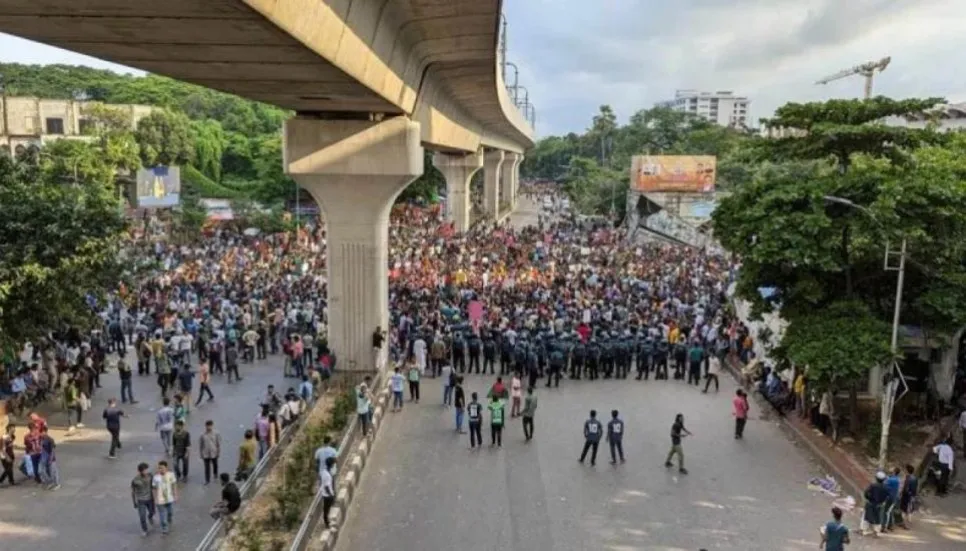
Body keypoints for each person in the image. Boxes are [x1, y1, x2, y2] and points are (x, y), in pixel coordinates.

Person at [153, 460, 178, 535]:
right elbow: (154, 488)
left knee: (170, 512)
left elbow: (174, 485)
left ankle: (169, 519)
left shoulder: (171, 475)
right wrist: (155, 498)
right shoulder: (156, 477)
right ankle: (164, 528)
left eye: (162, 468)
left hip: (169, 498)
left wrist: (175, 494)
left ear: (166, 468)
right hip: (160, 500)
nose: (161, 470)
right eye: (159, 468)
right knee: (162, 515)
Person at [861, 471, 889, 536]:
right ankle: (876, 532)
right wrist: (882, 502)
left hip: (871, 503)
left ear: (876, 478)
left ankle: (864, 530)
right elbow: (886, 496)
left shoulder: (873, 485)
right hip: (879, 504)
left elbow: (866, 493)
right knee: (878, 518)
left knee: (866, 516)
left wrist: (868, 498)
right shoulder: (885, 487)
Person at [132, 462, 156, 536]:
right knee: (142, 516)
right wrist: (134, 502)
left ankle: (150, 516)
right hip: (141, 500)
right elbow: (133, 492)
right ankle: (144, 530)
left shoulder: (151, 476)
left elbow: (154, 486)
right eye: (144, 470)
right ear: (140, 471)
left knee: (152, 512)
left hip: (150, 499)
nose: (146, 472)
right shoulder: (135, 480)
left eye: (146, 470)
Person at [199, 420, 222, 486]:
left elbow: (218, 444)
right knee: (206, 467)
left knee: (215, 465)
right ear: (205, 426)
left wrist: (218, 452)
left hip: (214, 453)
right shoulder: (202, 435)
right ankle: (207, 480)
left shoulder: (216, 434)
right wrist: (201, 454)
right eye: (207, 426)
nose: (209, 427)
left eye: (210, 426)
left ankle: (215, 474)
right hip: (205, 454)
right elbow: (201, 445)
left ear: (212, 425)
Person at [321, 456, 337, 528]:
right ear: (331, 465)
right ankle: (327, 524)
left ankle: (328, 521)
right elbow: (327, 486)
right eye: (333, 464)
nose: (334, 465)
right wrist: (331, 495)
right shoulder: (327, 475)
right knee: (326, 510)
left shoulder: (325, 472)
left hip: (327, 494)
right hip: (327, 495)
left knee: (327, 509)